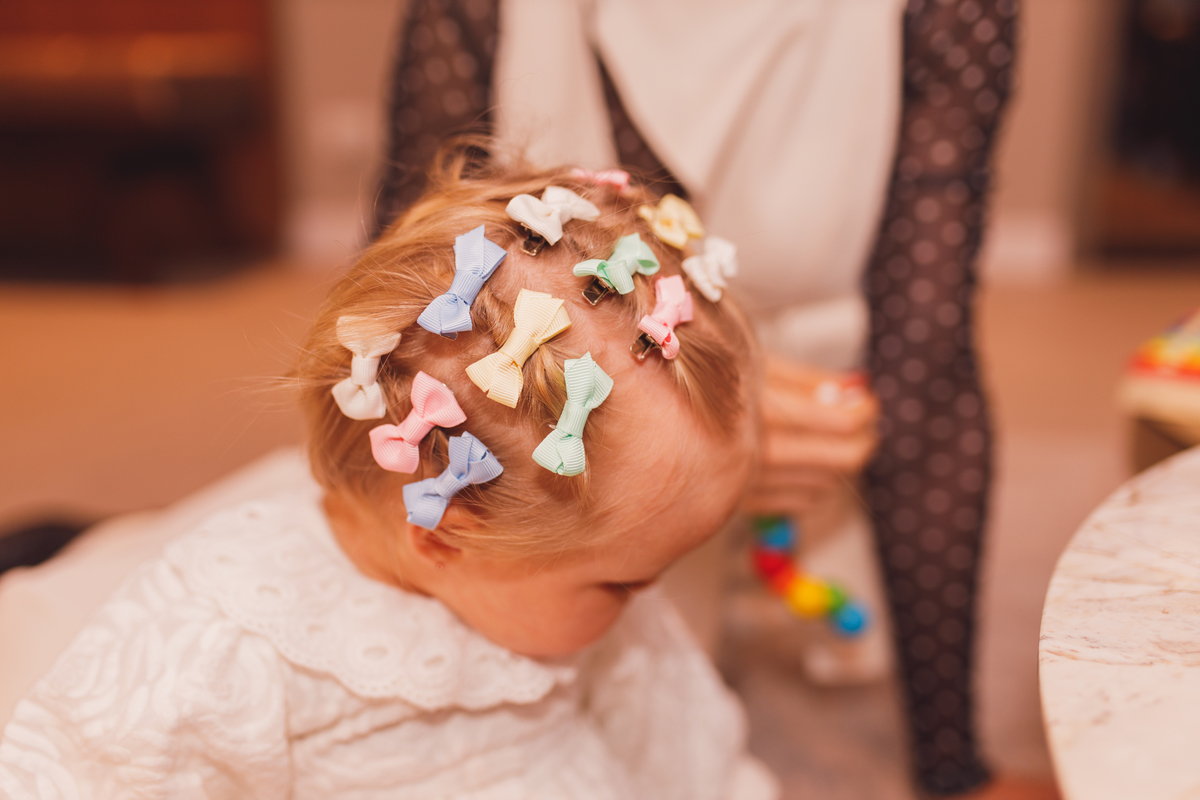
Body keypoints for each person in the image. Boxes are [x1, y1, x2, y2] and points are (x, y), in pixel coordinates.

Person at [372, 2, 1049, 798]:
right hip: (567, 434)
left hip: (827, 414)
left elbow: (928, 367)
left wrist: (954, 769)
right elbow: (399, 311)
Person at [0, 153, 779, 798]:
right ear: (449, 539)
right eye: (623, 584)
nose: (646, 603)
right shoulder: (235, 639)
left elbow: (689, 752)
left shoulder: (589, 616)